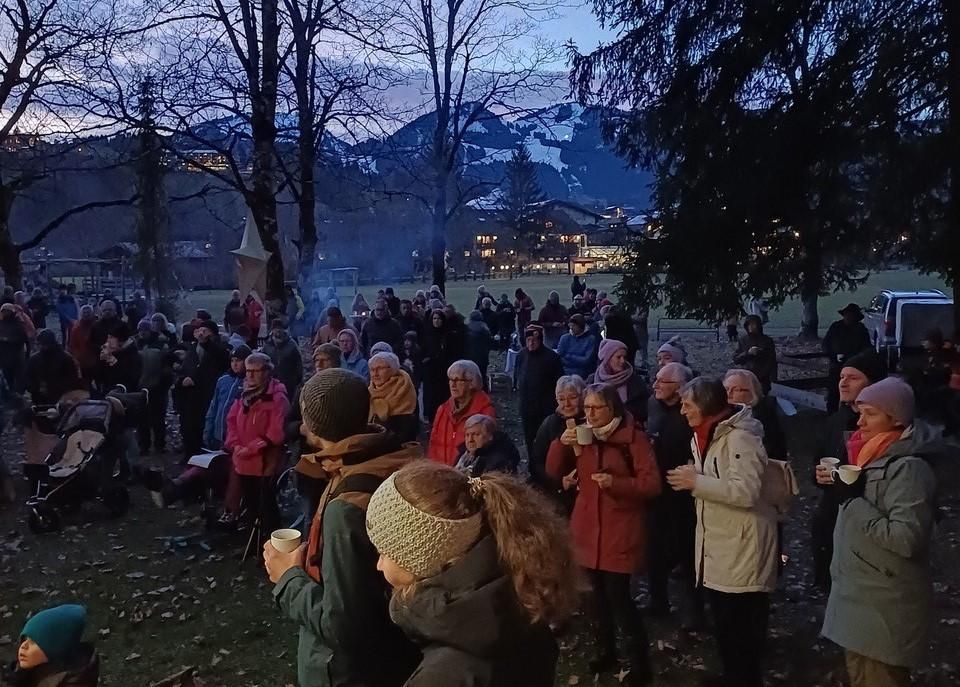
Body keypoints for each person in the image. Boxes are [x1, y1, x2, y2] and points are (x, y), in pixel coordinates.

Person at [263, 368, 420, 687]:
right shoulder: (395, 459)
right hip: (400, 652)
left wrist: (288, 578)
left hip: (347, 671)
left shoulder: (347, 507)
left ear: (310, 424)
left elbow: (344, 624)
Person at [364, 461, 578, 687]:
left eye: (385, 553)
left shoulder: (442, 676)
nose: (378, 565)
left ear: (422, 558)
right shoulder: (520, 591)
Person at [819, 377, 938, 687]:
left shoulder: (909, 469)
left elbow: (905, 539)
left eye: (869, 413)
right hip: (860, 600)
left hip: (884, 607)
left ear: (895, 417)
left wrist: (852, 499)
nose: (860, 421)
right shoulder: (870, 458)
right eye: (860, 412)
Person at [546, 383, 660, 685]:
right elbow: (553, 470)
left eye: (596, 408)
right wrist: (561, 442)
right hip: (586, 528)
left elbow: (652, 485)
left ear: (612, 408)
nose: (590, 414)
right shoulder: (584, 436)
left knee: (620, 600)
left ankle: (639, 663)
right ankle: (605, 651)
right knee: (593, 600)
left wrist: (616, 483)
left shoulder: (633, 440)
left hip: (618, 531)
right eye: (587, 408)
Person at [666, 377, 778, 687]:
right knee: (725, 624)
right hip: (720, 543)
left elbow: (746, 492)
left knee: (740, 627)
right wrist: (696, 475)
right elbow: (720, 478)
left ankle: (744, 679)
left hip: (742, 547)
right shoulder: (704, 435)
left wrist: (696, 482)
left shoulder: (740, 439)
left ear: (704, 405)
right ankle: (732, 676)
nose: (682, 412)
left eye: (687, 405)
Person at [811, 349, 886, 589]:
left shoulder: (884, 426)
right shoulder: (835, 421)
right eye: (842, 376)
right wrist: (819, 476)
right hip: (832, 512)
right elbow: (819, 459)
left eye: (853, 378)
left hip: (868, 516)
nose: (843, 382)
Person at [645, 362, 701, 625]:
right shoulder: (653, 406)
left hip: (684, 492)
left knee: (688, 552)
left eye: (662, 381)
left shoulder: (690, 414)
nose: (655, 384)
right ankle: (658, 602)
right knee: (654, 548)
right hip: (656, 489)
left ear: (679, 389)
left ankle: (694, 609)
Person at [225, 352, 288, 533]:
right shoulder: (243, 394)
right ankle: (253, 541)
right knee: (251, 505)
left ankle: (270, 545)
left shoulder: (277, 397)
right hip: (243, 462)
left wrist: (251, 448)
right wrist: (236, 445)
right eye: (248, 371)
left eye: (256, 371)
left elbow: (276, 432)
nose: (250, 375)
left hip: (266, 463)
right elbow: (231, 421)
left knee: (267, 507)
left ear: (267, 372)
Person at [2, 604, 98, 687]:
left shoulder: (77, 680)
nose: (23, 646)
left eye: (33, 642)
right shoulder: (22, 669)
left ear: (55, 647)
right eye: (24, 639)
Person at [174, 319, 230, 462]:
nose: (201, 334)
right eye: (199, 330)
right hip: (190, 394)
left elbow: (219, 362)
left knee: (203, 425)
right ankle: (189, 454)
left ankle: (203, 456)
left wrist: (206, 343)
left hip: (208, 394)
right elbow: (186, 367)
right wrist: (183, 379)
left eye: (205, 331)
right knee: (188, 426)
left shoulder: (219, 348)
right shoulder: (193, 349)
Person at [428, 360, 495, 466]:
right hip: (440, 473)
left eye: (458, 380)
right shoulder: (443, 410)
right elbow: (433, 444)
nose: (453, 385)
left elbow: (485, 450)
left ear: (472, 383)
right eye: (451, 380)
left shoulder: (484, 412)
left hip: (466, 475)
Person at [515, 324, 565, 458]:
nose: (531, 343)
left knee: (545, 440)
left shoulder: (551, 358)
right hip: (527, 407)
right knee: (529, 439)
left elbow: (559, 381)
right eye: (528, 340)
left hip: (545, 407)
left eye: (534, 340)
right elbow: (517, 375)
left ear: (540, 340)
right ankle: (533, 471)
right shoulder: (521, 355)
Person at [529, 375, 585, 494]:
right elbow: (535, 462)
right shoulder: (550, 423)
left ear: (583, 397)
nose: (567, 404)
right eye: (561, 399)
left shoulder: (590, 421)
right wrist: (558, 483)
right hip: (556, 491)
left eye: (573, 397)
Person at [723, 368, 787, 461]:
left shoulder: (762, 420)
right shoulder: (721, 414)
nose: (729, 394)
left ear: (752, 392)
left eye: (736, 390)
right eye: (726, 389)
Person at [822, 304, 872, 412]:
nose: (849, 317)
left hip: (854, 367)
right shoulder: (836, 327)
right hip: (836, 366)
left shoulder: (861, 329)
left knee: (854, 392)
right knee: (834, 390)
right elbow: (826, 344)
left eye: (852, 315)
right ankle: (832, 413)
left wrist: (857, 358)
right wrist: (833, 355)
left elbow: (867, 348)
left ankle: (851, 414)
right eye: (847, 315)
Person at [587, 338, 649, 422]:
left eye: (624, 357)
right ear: (607, 359)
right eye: (618, 357)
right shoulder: (592, 380)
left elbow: (643, 409)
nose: (623, 361)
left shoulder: (635, 380)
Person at [135, 322, 174, 454]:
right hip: (140, 388)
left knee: (158, 418)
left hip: (158, 387)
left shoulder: (161, 345)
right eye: (140, 330)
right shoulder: (134, 345)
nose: (143, 332)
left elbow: (168, 366)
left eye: (145, 330)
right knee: (141, 419)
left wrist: (164, 384)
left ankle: (160, 445)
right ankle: (143, 446)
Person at [203, 345, 249, 451]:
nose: (235, 364)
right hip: (218, 434)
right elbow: (213, 407)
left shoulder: (249, 382)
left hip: (237, 437)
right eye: (232, 361)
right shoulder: (223, 380)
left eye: (238, 360)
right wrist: (208, 431)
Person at [368, 352, 419, 443]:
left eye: (380, 368)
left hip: (399, 451)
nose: (375, 374)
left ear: (393, 369)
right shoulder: (368, 393)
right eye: (372, 369)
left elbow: (406, 433)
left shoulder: (405, 390)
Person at [24, 330, 83, 405]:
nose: (41, 347)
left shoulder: (65, 358)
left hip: (60, 398)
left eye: (43, 344)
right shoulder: (34, 359)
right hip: (39, 398)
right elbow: (28, 377)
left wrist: (57, 388)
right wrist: (35, 388)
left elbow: (72, 379)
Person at [454, 414, 520, 476]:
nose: (470, 440)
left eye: (476, 435)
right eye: (467, 435)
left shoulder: (499, 462)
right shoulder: (463, 455)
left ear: (490, 436)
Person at [93, 322, 142, 394]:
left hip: (123, 396)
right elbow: (100, 372)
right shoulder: (110, 350)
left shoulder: (133, 355)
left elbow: (131, 379)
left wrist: (112, 360)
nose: (108, 341)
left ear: (121, 341)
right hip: (106, 391)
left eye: (111, 338)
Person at [421, 310, 454, 420]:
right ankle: (430, 415)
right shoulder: (427, 334)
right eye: (434, 318)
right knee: (430, 393)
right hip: (430, 369)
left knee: (443, 392)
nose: (436, 321)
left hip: (443, 368)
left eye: (439, 319)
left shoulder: (447, 335)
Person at [733, 315, 778, 393]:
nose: (751, 327)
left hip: (764, 379)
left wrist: (773, 380)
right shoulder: (743, 340)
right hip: (747, 377)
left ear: (758, 325)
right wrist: (748, 353)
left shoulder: (767, 340)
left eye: (753, 324)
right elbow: (736, 359)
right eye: (749, 324)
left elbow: (772, 361)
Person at [262, 319, 304, 397]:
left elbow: (298, 362)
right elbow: (263, 362)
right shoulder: (267, 345)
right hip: (271, 383)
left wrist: (299, 378)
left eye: (280, 328)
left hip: (289, 382)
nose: (278, 331)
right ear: (272, 330)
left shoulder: (291, 344)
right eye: (275, 328)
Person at [557, 314, 596, 379]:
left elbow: (586, 360)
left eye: (574, 326)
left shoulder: (590, 339)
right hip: (565, 373)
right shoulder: (564, 338)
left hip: (583, 374)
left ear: (581, 326)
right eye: (570, 325)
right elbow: (559, 357)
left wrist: (567, 356)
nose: (571, 328)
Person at [68, 306, 97, 381]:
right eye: (84, 313)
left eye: (88, 312)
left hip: (98, 360)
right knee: (86, 382)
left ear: (92, 313)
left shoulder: (98, 326)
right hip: (84, 361)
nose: (86, 314)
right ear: (81, 314)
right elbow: (72, 345)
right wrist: (77, 356)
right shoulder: (76, 328)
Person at [464, 311, 493, 388]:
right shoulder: (483, 327)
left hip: (469, 355)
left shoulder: (466, 327)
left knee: (470, 373)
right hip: (482, 355)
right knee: (482, 374)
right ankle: (483, 389)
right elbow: (489, 341)